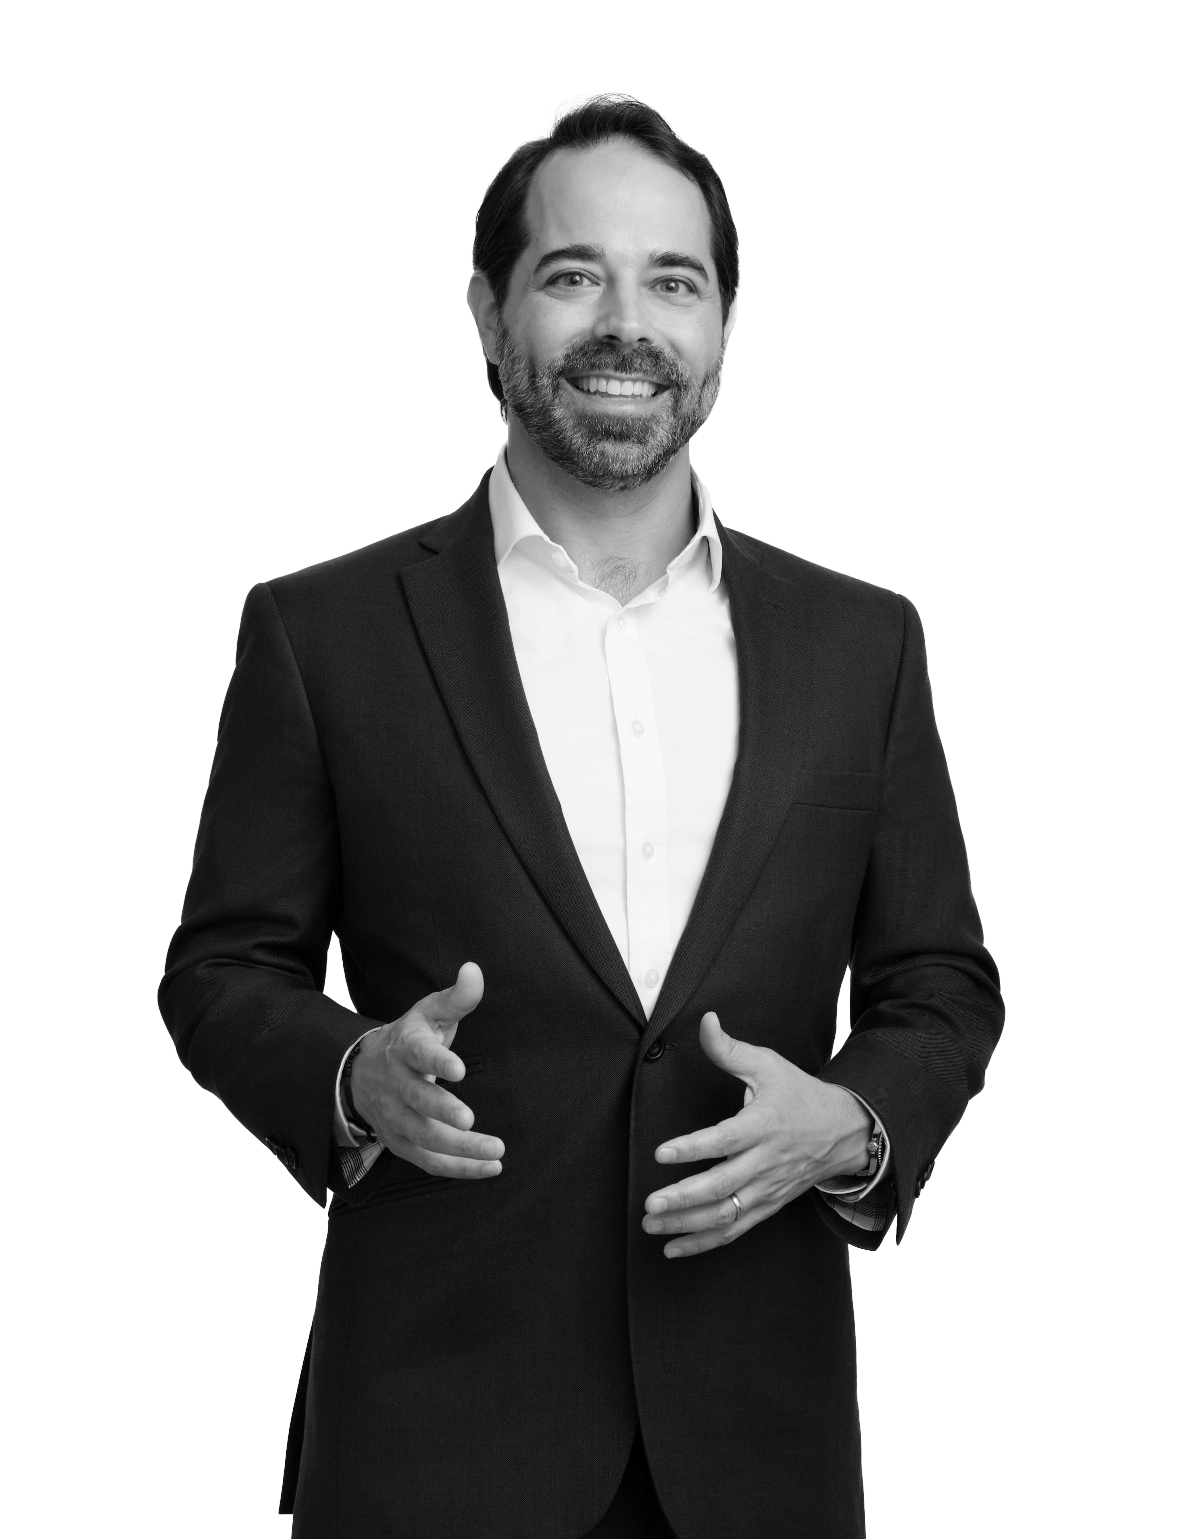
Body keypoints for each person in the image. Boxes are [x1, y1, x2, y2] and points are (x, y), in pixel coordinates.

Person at [159, 89, 1004, 1538]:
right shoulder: (322, 631)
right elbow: (221, 968)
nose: (626, 325)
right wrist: (351, 1076)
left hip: (760, 1451)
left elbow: (942, 979)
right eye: (572, 274)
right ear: (488, 312)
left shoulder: (863, 643)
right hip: (435, 1447)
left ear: (725, 326)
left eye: (672, 281)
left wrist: (855, 1123)